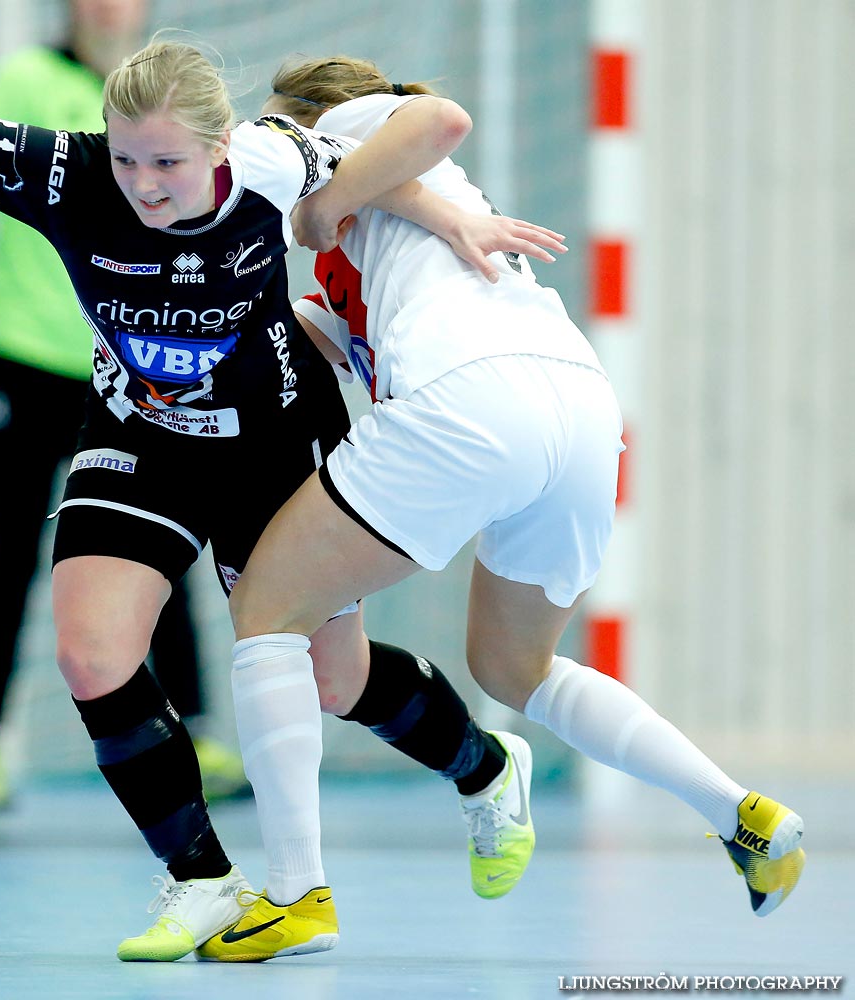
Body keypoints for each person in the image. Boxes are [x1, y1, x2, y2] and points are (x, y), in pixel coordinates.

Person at [0, 35, 560, 960]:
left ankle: (484, 763)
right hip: (138, 434)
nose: (146, 185)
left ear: (221, 148)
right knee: (90, 652)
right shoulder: (64, 175)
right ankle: (202, 881)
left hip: (272, 440)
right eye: (128, 158)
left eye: (169, 164)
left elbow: (420, 133)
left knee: (331, 680)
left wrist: (437, 216)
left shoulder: (272, 157)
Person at [199, 54, 807, 959]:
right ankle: (743, 817)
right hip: (577, 408)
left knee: (267, 610)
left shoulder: (353, 132)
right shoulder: (376, 248)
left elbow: (439, 117)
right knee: (514, 668)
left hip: (470, 396)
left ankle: (296, 895)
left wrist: (317, 198)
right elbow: (306, 333)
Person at [0, 0, 248, 810]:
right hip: (22, 358)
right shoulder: (27, 78)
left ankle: (196, 733)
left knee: (159, 551)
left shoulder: (166, 106)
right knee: (10, 551)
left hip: (129, 371)